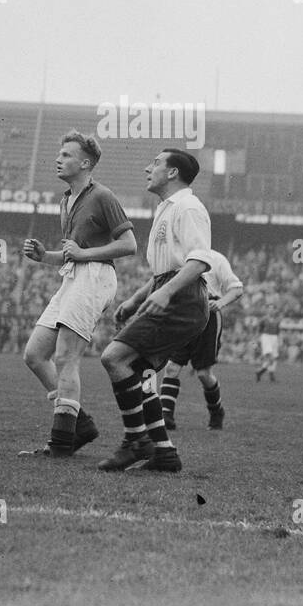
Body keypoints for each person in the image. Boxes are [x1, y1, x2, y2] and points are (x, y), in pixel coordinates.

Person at [18, 131, 136, 458]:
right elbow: (72, 253)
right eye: (60, 153)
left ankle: (60, 444)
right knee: (35, 354)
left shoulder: (102, 196)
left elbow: (129, 245)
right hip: (74, 275)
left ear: (85, 163)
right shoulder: (65, 200)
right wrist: (45, 256)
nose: (59, 158)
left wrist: (83, 255)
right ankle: (79, 423)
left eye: (67, 154)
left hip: (96, 276)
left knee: (66, 357)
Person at [96, 149, 212, 474]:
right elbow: (166, 270)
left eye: (156, 163)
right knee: (144, 371)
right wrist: (136, 299)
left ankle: (136, 442)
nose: (149, 168)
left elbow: (199, 261)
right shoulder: (167, 207)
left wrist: (166, 293)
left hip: (183, 299)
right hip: (173, 291)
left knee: (115, 358)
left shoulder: (188, 207)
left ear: (173, 172)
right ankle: (163, 452)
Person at [159, 248, 244, 431]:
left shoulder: (216, 258)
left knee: (204, 373)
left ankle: (216, 411)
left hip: (208, 315)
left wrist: (220, 302)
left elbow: (237, 289)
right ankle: (166, 416)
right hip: (182, 313)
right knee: (172, 367)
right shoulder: (179, 256)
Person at [256, 309, 281, 382]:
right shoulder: (264, 319)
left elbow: (278, 331)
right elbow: (259, 329)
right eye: (269, 309)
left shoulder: (277, 320)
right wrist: (257, 338)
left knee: (275, 357)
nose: (271, 311)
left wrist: (279, 339)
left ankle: (264, 373)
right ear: (267, 311)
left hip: (274, 338)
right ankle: (262, 372)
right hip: (266, 337)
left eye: (273, 309)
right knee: (271, 358)